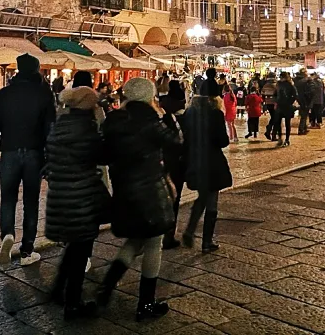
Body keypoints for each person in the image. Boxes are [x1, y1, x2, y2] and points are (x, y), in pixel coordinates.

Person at [97, 78, 178, 321]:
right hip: (150, 190)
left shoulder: (114, 121)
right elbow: (177, 141)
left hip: (124, 190)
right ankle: (145, 304)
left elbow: (103, 154)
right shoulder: (152, 121)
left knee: (135, 239)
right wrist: (167, 118)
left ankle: (107, 286)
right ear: (149, 97)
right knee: (153, 242)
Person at [0, 53, 56, 266]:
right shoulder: (44, 94)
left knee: (8, 198)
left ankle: (7, 235)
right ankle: (27, 250)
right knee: (31, 202)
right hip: (34, 153)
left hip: (9, 153)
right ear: (36, 70)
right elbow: (50, 130)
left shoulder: (4, 94)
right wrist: (50, 159)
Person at [45, 82, 105, 320]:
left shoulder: (59, 127)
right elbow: (102, 155)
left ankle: (58, 289)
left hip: (61, 194)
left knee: (74, 245)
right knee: (81, 248)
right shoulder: (86, 131)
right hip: (81, 196)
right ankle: (73, 304)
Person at [182, 80, 232, 254]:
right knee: (211, 201)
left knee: (202, 196)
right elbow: (222, 141)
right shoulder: (215, 113)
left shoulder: (190, 113)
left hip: (194, 160)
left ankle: (190, 230)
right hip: (212, 161)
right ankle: (206, 241)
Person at [158, 80, 188, 250]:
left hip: (159, 162)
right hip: (176, 163)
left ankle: (159, 232)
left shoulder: (160, 110)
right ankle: (168, 235)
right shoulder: (182, 116)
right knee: (174, 199)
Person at [274, 72, 298, 147]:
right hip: (281, 106)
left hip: (287, 106)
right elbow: (275, 93)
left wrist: (289, 102)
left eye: (282, 77)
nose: (281, 78)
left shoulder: (290, 85)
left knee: (287, 123)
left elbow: (295, 95)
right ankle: (280, 138)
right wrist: (276, 101)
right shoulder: (279, 84)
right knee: (278, 122)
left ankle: (287, 139)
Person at [294, 68, 312, 135]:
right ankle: (301, 129)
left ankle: (304, 128)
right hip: (304, 99)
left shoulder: (296, 80)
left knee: (303, 114)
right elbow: (309, 91)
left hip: (299, 98)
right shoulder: (306, 80)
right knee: (304, 115)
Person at [261, 74, 278, 139]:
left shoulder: (265, 85)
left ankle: (269, 130)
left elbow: (262, 94)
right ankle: (270, 131)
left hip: (268, 103)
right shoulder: (276, 85)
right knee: (275, 118)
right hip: (275, 103)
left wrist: (265, 101)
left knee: (273, 117)